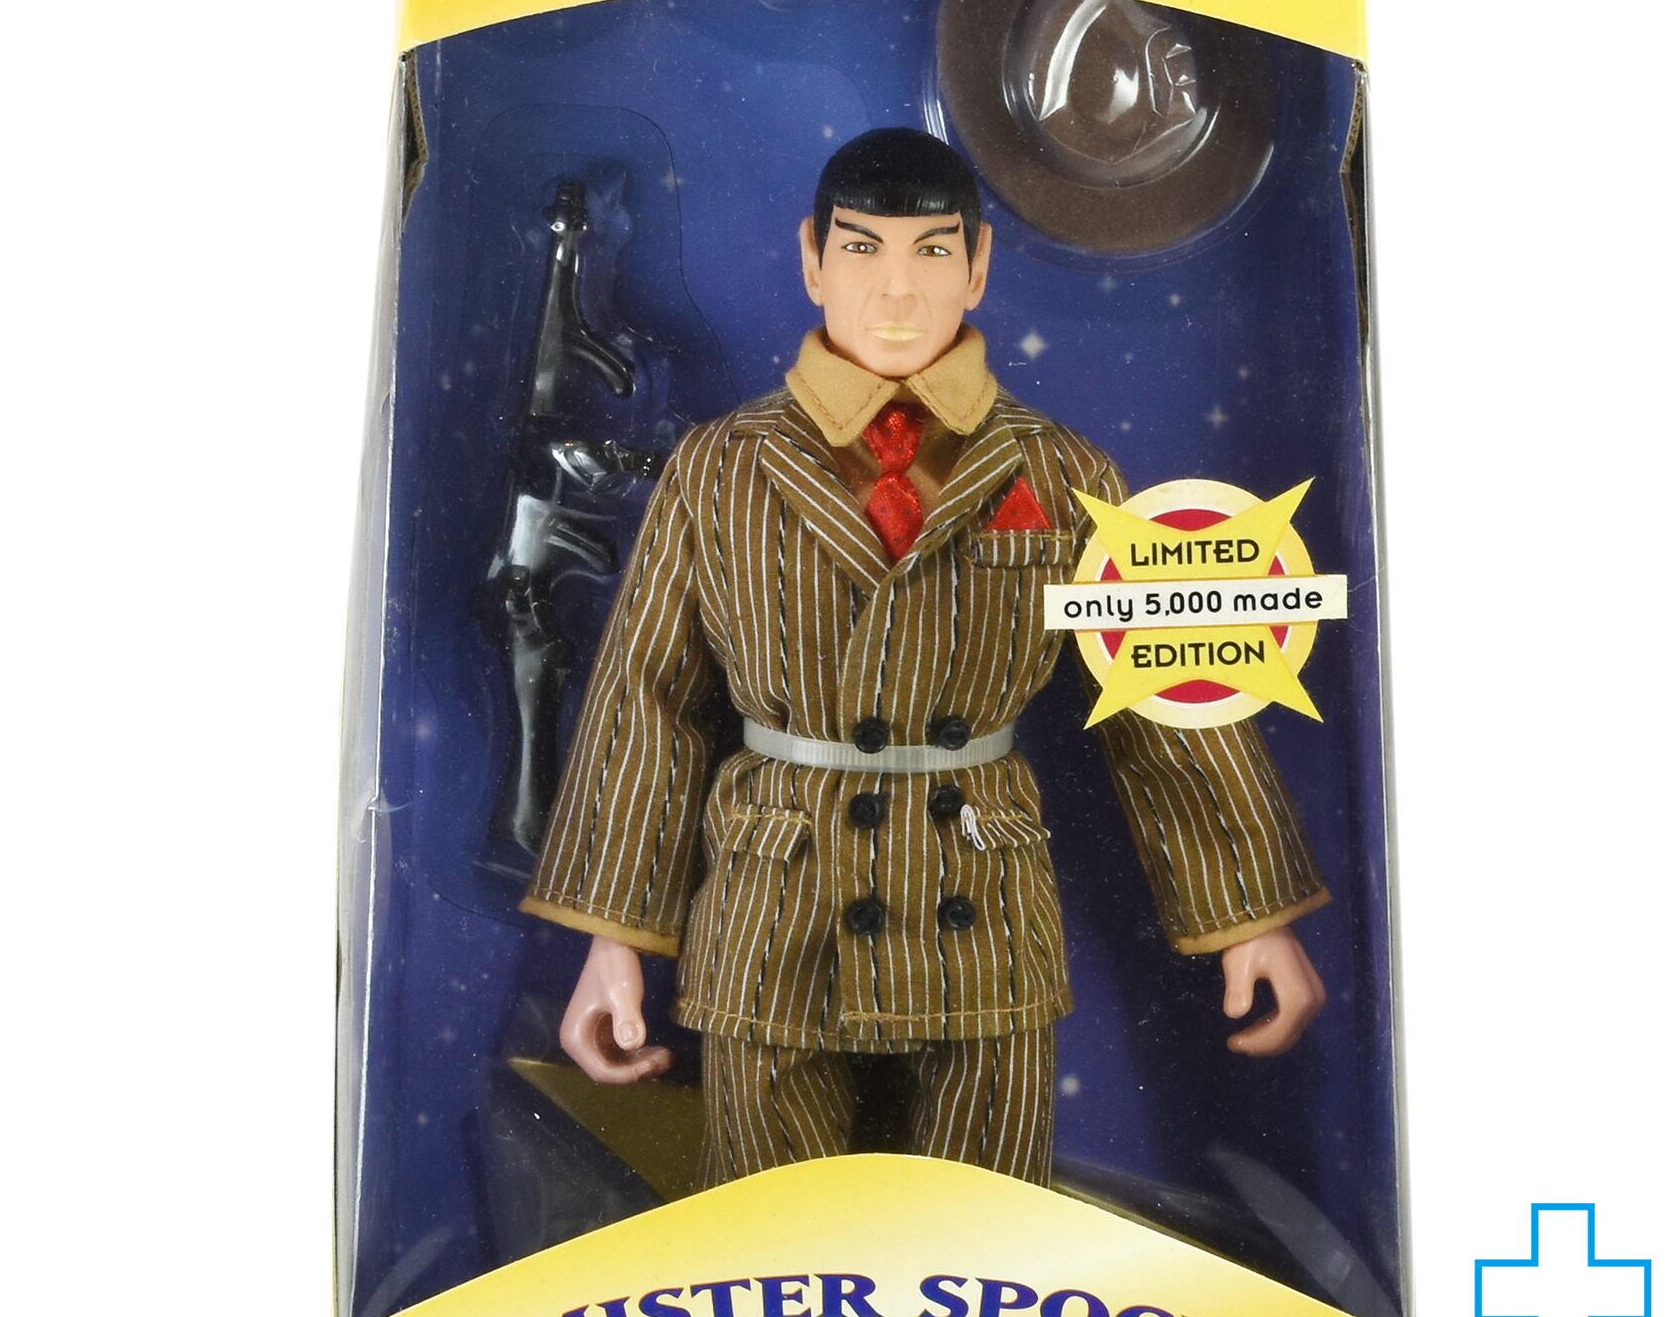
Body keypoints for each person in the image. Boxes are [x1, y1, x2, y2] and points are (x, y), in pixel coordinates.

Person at [523, 128, 1328, 1186]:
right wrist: (614, 940)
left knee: (988, 1231)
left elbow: (1163, 691)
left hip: (979, 903)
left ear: (979, 266)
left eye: (933, 251)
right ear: (812, 259)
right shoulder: (721, 469)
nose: (896, 289)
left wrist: (1250, 916)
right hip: (777, 902)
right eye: (861, 250)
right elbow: (647, 702)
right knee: (769, 1235)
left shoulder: (1061, 469)